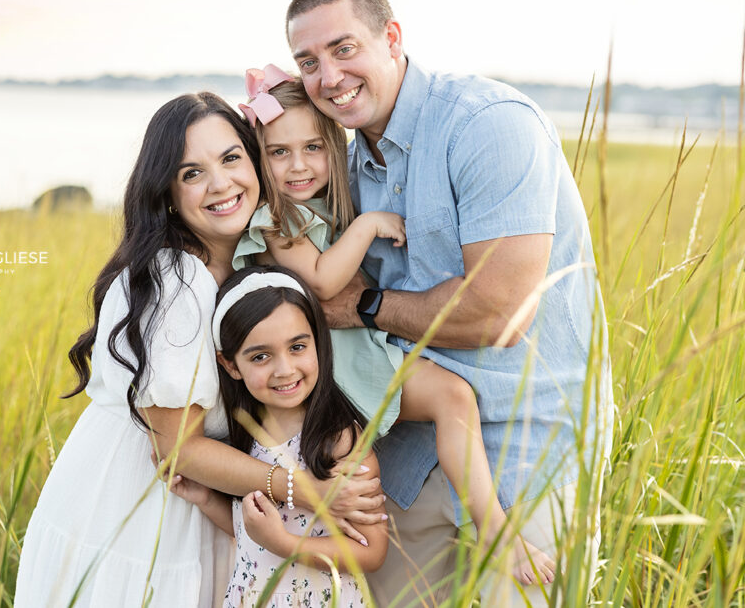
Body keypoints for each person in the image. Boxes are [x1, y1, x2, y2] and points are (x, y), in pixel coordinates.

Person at [284, 0, 613, 606]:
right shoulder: (341, 168)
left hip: (526, 451)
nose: (328, 76)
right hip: (411, 453)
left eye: (343, 48)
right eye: (309, 62)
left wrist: (364, 306)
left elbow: (499, 313)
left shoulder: (488, 124)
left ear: (392, 38)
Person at [14, 92, 383, 607]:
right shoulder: (176, 281)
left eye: (231, 159)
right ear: (166, 192)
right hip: (137, 511)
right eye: (191, 173)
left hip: (206, 504)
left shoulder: (246, 270)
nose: (220, 184)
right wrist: (308, 491)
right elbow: (177, 449)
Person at [234, 67, 557, 585]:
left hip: (350, 347)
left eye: (314, 147)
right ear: (258, 157)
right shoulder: (277, 218)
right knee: (449, 398)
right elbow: (320, 281)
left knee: (450, 399)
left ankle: (488, 525)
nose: (299, 166)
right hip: (330, 363)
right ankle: (493, 526)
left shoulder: (319, 204)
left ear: (335, 149)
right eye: (278, 152)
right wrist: (367, 226)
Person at [170, 265, 388, 607]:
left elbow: (372, 552)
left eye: (297, 347)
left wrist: (285, 545)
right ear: (230, 366)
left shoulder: (337, 439)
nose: (285, 369)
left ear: (317, 341)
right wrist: (208, 500)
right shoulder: (242, 437)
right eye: (260, 356)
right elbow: (257, 535)